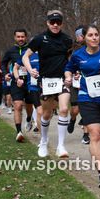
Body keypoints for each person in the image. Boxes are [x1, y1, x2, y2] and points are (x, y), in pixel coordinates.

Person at [66, 25, 100, 188]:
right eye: (90, 35)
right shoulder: (78, 55)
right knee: (94, 135)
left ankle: (97, 154)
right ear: (84, 38)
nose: (94, 38)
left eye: (96, 35)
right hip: (87, 97)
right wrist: (68, 77)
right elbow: (69, 68)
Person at [22, 9, 75, 159]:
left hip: (61, 79)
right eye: (52, 22)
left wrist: (71, 72)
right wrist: (30, 69)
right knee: (46, 114)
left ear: (62, 24)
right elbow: (26, 56)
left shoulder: (67, 39)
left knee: (64, 109)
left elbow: (70, 59)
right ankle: (44, 141)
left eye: (58, 22)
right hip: (45, 80)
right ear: (48, 23)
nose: (55, 25)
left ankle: (61, 146)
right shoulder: (40, 38)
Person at [2, 29, 33, 140]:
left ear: (26, 38)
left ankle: (29, 118)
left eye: (23, 37)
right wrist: (5, 74)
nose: (21, 39)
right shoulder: (11, 51)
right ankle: (19, 132)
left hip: (29, 82)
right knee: (18, 106)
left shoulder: (30, 49)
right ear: (15, 38)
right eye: (18, 37)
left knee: (29, 106)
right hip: (16, 82)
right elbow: (4, 63)